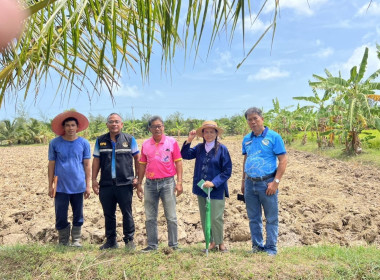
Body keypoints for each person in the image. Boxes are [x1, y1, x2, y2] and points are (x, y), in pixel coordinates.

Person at [241, 107, 287, 256]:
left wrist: (276, 182)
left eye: (255, 118)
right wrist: (243, 181)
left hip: (267, 183)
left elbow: (283, 160)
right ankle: (257, 246)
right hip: (250, 183)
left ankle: (271, 248)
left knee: (271, 218)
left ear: (262, 119)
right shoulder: (247, 139)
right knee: (254, 218)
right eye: (250, 119)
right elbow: (246, 159)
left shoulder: (274, 137)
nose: (253, 122)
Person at [181, 121, 232, 252]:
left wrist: (214, 182)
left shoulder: (222, 149)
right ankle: (210, 242)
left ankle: (220, 243)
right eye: (206, 132)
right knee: (205, 217)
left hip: (216, 189)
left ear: (216, 133)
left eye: (211, 132)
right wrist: (189, 140)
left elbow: (227, 171)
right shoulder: (199, 148)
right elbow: (185, 155)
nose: (208, 134)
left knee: (216, 217)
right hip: (201, 188)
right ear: (202, 134)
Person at [92, 113, 140, 250]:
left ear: (121, 124)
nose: (114, 124)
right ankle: (111, 241)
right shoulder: (100, 140)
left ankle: (129, 240)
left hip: (125, 183)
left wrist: (137, 178)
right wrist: (94, 180)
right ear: (107, 124)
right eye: (111, 122)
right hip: (106, 184)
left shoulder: (130, 139)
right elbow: (96, 160)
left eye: (117, 121)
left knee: (127, 212)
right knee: (108, 213)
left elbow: (137, 159)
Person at [136, 116, 183, 252]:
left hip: (167, 183)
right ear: (149, 128)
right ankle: (152, 245)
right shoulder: (145, 144)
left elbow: (178, 162)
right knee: (150, 216)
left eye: (160, 126)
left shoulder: (171, 142)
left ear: (163, 127)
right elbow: (142, 164)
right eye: (154, 126)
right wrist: (139, 182)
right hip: (150, 184)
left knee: (171, 216)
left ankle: (173, 245)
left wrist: (179, 182)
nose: (157, 128)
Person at [48, 111, 91, 247]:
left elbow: (87, 164)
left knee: (78, 213)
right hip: (60, 186)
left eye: (73, 125)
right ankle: (63, 241)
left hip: (78, 185)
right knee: (60, 214)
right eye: (67, 125)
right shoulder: (55, 143)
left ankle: (76, 240)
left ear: (77, 127)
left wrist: (88, 185)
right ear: (64, 127)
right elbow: (51, 164)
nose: (70, 128)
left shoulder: (84, 143)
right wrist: (50, 185)